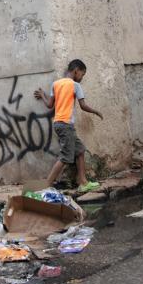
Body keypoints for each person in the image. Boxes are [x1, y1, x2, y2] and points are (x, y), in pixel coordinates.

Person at [34, 59, 104, 192]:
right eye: (82, 75)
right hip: (66, 125)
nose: (82, 78)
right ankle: (46, 185)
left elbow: (50, 105)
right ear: (76, 70)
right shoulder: (75, 85)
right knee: (66, 157)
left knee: (80, 150)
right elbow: (83, 106)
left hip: (59, 124)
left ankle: (83, 182)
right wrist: (96, 111)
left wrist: (43, 95)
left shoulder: (56, 84)